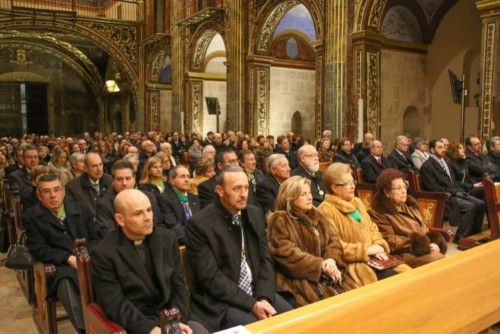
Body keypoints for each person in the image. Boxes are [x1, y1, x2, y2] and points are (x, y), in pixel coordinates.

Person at [186, 165, 292, 332]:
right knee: (263, 329)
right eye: (236, 189)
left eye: (246, 188)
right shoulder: (199, 224)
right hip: (222, 302)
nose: (244, 194)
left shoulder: (254, 213)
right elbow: (211, 278)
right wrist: (252, 304)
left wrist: (264, 297)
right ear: (220, 191)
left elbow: (265, 259)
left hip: (257, 291)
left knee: (295, 321)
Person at [91, 189, 208, 334]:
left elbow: (178, 287)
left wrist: (176, 323)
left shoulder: (167, 238)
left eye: (149, 210)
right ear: (120, 219)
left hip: (173, 319)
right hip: (138, 325)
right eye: (138, 213)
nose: (148, 217)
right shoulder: (103, 253)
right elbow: (115, 304)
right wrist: (151, 329)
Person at [23, 173, 98, 334]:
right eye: (47, 191)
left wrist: (86, 255)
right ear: (39, 195)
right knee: (65, 281)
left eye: (57, 190)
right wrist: (67, 257)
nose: (53, 195)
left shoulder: (81, 208)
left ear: (63, 191)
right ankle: (84, 329)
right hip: (60, 265)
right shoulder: (32, 216)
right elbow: (38, 249)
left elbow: (95, 237)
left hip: (88, 259)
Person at [318, 163, 408, 290]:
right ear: (334, 188)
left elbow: (372, 227)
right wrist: (365, 251)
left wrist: (378, 245)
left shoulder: (357, 202)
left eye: (353, 181)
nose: (353, 186)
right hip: (354, 265)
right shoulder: (326, 210)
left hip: (375, 258)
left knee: (408, 276)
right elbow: (334, 246)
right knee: (395, 283)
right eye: (347, 183)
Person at [267, 176, 345, 306]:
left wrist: (331, 260)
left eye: (309, 192)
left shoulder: (317, 214)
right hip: (297, 281)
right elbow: (286, 254)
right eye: (303, 194)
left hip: (328, 274)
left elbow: (334, 240)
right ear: (290, 197)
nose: (310, 197)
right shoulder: (280, 220)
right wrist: (319, 265)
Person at [368, 169, 446, 268]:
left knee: (448, 260)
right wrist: (425, 246)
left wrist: (432, 243)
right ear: (387, 192)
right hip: (403, 254)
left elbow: (425, 229)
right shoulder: (379, 213)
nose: (404, 191)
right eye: (398, 188)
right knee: (438, 260)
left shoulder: (411, 206)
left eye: (405, 186)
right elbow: (391, 241)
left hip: (423, 249)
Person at [420, 139, 485, 241]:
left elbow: (453, 182)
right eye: (439, 147)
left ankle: (474, 235)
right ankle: (460, 238)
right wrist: (453, 192)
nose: (443, 150)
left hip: (454, 193)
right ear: (432, 150)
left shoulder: (445, 162)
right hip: (443, 197)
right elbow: (433, 187)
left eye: (443, 147)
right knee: (470, 206)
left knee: (480, 203)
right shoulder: (427, 166)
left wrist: (466, 187)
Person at [95, 160, 163, 238]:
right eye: (119, 179)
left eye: (128, 178)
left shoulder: (148, 197)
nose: (124, 183)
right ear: (113, 181)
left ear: (134, 179)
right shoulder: (104, 204)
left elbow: (159, 225)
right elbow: (108, 234)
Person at [65, 152, 112, 217]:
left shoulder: (110, 180)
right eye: (94, 166)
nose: (99, 169)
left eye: (100, 164)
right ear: (85, 169)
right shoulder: (72, 187)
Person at [162, 165, 200, 244]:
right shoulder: (164, 198)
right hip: (183, 241)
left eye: (188, 176)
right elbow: (173, 225)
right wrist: (195, 238)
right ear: (172, 180)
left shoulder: (195, 198)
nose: (186, 180)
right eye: (182, 177)